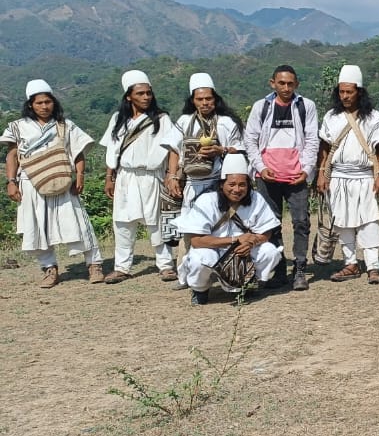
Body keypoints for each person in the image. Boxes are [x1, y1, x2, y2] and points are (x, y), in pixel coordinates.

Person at [2, 80, 104, 287]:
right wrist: (11, 182)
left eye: (48, 102)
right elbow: (12, 156)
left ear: (53, 102)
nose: (44, 106)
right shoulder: (17, 127)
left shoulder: (65, 125)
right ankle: (49, 268)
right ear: (31, 105)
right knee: (37, 226)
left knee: (77, 222)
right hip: (31, 182)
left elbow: (78, 152)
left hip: (62, 180)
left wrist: (80, 177)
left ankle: (94, 265)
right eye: (39, 103)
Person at [243, 65, 320, 291]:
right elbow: (250, 140)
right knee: (271, 223)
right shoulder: (262, 106)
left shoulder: (306, 106)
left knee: (301, 222)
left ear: (296, 84)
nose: (286, 88)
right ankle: (277, 270)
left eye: (290, 84)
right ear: (272, 83)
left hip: (296, 176)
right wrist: (260, 167)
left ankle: (299, 269)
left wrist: (306, 170)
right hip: (267, 176)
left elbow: (312, 140)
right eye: (281, 83)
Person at [100, 70, 179, 284]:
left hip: (151, 176)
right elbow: (112, 150)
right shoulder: (118, 119)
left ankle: (165, 265)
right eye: (140, 94)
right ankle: (122, 267)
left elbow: (173, 148)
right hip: (125, 177)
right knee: (123, 222)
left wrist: (171, 175)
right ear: (129, 96)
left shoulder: (161, 119)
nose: (146, 97)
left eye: (148, 93)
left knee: (155, 221)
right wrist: (110, 176)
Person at [172, 153, 283, 305]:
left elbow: (266, 232)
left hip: (243, 252)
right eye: (232, 184)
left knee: (269, 251)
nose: (237, 189)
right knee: (199, 259)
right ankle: (200, 289)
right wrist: (235, 240)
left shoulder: (256, 198)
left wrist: (251, 243)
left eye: (242, 185)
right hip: (213, 250)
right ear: (221, 184)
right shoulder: (207, 200)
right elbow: (197, 241)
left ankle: (247, 283)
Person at [317, 65, 379, 284]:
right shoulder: (332, 117)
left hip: (365, 176)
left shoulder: (372, 117)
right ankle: (350, 264)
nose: (345, 96)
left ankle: (372, 266)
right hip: (339, 177)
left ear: (359, 91)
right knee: (342, 222)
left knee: (368, 221)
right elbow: (325, 147)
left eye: (349, 92)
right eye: (341, 92)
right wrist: (322, 173)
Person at [164, 72, 245, 208]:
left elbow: (240, 150)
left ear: (215, 99)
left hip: (219, 182)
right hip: (191, 183)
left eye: (208, 98)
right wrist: (172, 176)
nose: (205, 103)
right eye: (199, 99)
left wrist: (221, 150)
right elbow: (174, 149)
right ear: (193, 101)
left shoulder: (226, 122)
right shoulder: (185, 121)